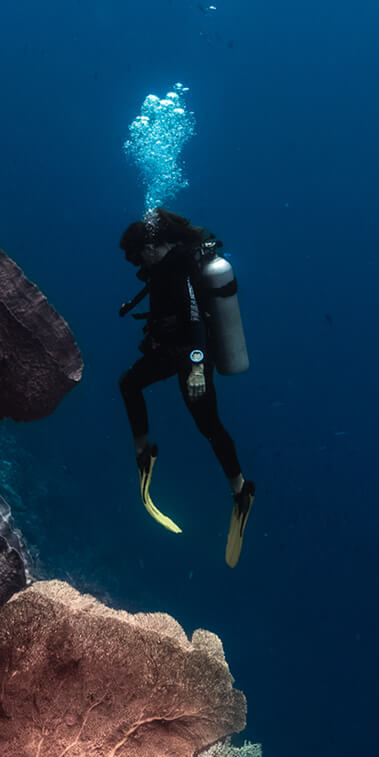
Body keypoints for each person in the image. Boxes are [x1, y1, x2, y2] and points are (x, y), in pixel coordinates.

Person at [118, 208, 256, 566]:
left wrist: (196, 368)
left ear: (151, 247)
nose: (138, 263)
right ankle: (143, 454)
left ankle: (241, 491)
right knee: (129, 384)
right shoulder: (160, 266)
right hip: (171, 351)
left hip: (194, 355)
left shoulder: (180, 268)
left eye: (138, 256)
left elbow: (196, 321)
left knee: (208, 426)